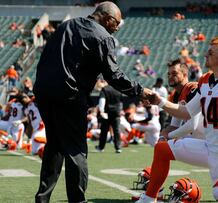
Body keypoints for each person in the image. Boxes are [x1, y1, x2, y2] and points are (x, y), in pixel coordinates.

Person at [33, 2, 152, 202]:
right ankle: (77, 200)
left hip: (44, 92)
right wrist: (140, 90)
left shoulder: (66, 25)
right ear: (108, 19)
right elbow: (113, 75)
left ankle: (42, 198)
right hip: (69, 95)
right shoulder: (103, 36)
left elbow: (46, 57)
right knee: (76, 149)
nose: (117, 28)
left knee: (54, 145)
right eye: (117, 23)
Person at [137, 36, 218, 203]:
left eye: (210, 52)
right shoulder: (205, 80)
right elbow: (187, 112)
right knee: (162, 149)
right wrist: (159, 101)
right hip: (209, 148)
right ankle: (149, 199)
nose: (205, 55)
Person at [96, 81, 124, 153]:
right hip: (116, 112)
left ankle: (101, 147)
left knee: (104, 130)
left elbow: (102, 100)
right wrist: (120, 110)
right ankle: (118, 147)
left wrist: (101, 111)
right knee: (117, 130)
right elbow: (121, 102)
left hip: (107, 112)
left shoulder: (105, 89)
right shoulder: (118, 89)